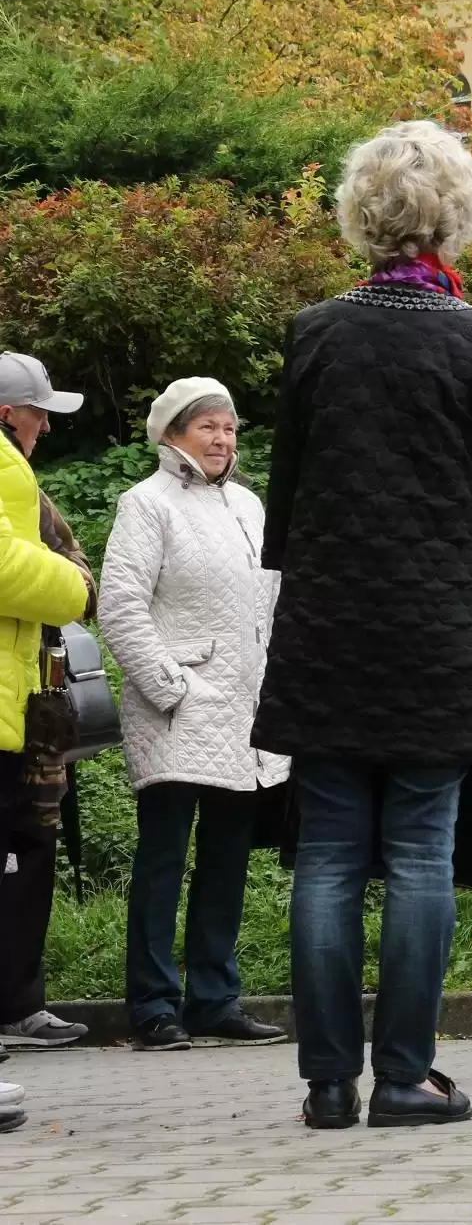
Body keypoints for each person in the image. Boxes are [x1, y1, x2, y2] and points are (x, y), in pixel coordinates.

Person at [252, 120, 472, 1132]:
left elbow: (282, 505)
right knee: (419, 852)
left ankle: (329, 1083)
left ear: (358, 213)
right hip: (438, 629)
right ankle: (406, 1077)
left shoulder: (317, 332)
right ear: (454, 217)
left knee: (326, 853)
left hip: (328, 622)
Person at [98, 378, 289, 1052]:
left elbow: (271, 605)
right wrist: (169, 687)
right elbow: (119, 606)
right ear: (172, 433)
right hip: (175, 711)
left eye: (230, 428)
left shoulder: (248, 504)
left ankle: (215, 998)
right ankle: (152, 1005)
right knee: (164, 858)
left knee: (228, 857)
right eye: (207, 426)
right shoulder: (145, 504)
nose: (221, 439)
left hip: (244, 713)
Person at [0, 354, 91, 1129]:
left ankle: (17, 1010)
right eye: (38, 410)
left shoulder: (30, 487)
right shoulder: (6, 472)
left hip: (30, 704)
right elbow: (41, 572)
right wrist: (71, 586)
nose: (47, 424)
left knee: (27, 851)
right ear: (7, 413)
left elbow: (68, 554)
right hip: (9, 699)